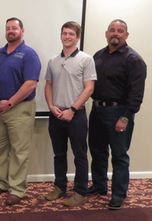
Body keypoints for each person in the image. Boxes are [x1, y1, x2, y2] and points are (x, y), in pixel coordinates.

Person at [87, 19, 147, 210]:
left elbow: (136, 95)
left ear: (126, 35)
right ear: (106, 33)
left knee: (119, 156)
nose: (115, 34)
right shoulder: (98, 55)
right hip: (97, 110)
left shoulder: (134, 60)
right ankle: (99, 185)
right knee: (97, 151)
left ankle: (119, 194)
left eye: (120, 31)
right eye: (112, 30)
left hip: (119, 112)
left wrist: (125, 117)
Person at [0, 17, 41, 205]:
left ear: (22, 31)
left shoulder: (29, 54)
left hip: (19, 109)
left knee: (19, 151)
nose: (10, 31)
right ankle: (2, 183)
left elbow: (31, 84)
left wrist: (10, 103)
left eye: (14, 28)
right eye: (8, 28)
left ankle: (17, 189)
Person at [44, 21, 97, 207]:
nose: (67, 37)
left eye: (71, 34)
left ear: (78, 37)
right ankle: (60, 187)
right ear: (60, 36)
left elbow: (89, 89)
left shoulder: (86, 59)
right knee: (59, 154)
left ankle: (81, 192)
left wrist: (72, 110)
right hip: (56, 114)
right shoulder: (52, 61)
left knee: (80, 155)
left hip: (77, 115)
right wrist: (51, 106)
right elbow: (48, 85)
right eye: (64, 33)